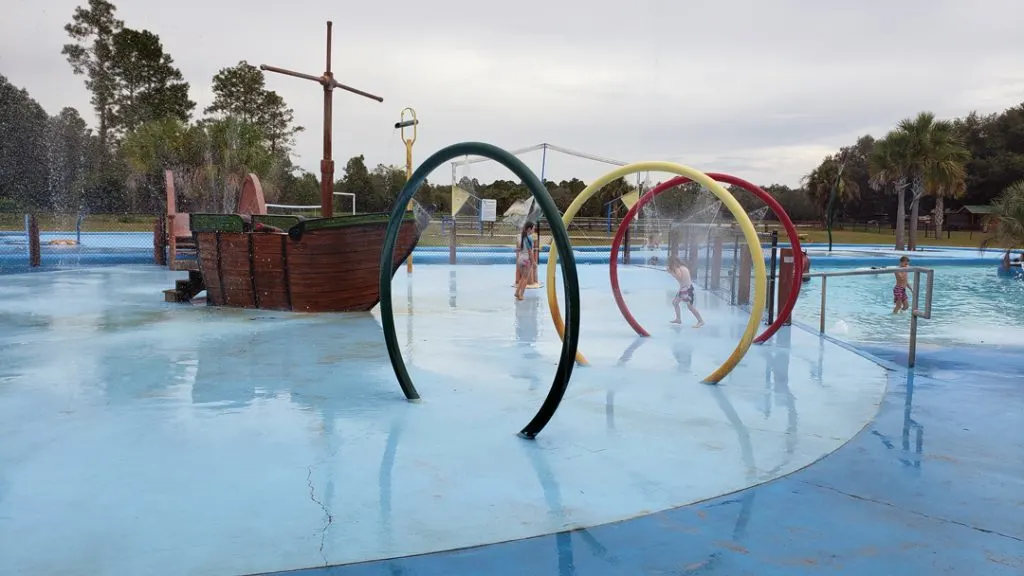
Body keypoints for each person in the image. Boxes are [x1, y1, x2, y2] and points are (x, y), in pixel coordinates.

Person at [668, 256, 704, 327]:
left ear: (673, 263)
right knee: (675, 302)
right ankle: (678, 319)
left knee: (690, 306)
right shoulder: (684, 267)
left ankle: (700, 321)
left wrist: (671, 273)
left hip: (687, 289)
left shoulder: (678, 268)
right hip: (684, 288)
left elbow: (679, 278)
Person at [515, 222, 536, 300]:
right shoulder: (529, 238)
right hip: (526, 260)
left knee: (522, 278)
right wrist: (533, 262)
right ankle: (521, 295)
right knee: (525, 279)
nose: (534, 230)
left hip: (520, 260)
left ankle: (517, 292)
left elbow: (519, 249)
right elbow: (530, 252)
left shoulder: (520, 237)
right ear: (529, 229)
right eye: (533, 228)